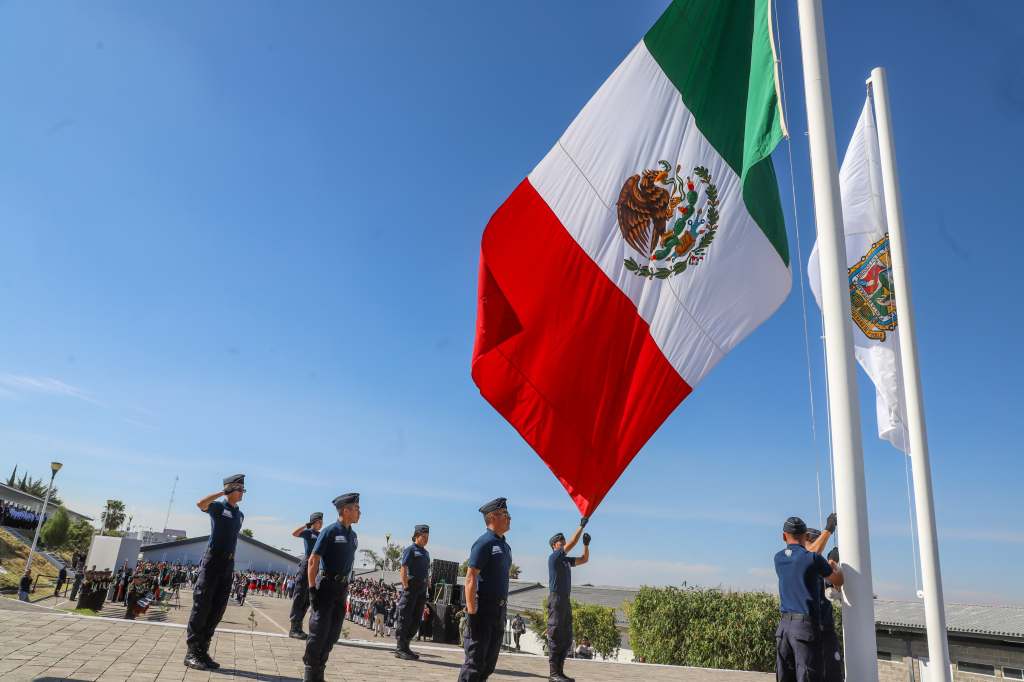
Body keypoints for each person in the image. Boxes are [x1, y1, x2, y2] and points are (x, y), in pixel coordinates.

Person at [184, 474, 246, 671]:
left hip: (228, 564)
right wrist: (222, 492)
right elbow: (200, 503)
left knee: (218, 608)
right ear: (230, 490)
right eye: (238, 489)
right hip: (212, 561)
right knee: (202, 606)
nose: (242, 492)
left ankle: (203, 650)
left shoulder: (240, 514)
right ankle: (192, 653)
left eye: (243, 489)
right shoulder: (219, 507)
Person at [774, 516, 844, 682]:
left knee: (785, 676)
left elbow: (804, 558)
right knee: (809, 676)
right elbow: (838, 581)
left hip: (784, 628)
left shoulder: (778, 558)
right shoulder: (812, 558)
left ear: (784, 536)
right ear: (805, 536)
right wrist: (833, 565)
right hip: (805, 628)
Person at [303, 493, 360, 682]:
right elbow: (313, 560)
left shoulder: (353, 536)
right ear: (346, 510)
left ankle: (320, 670)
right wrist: (312, 590)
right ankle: (311, 673)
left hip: (342, 588)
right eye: (356, 508)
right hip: (326, 586)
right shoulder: (330, 531)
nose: (359, 512)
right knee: (319, 631)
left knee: (333, 633)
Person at [458, 497, 513, 682]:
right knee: (475, 663)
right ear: (492, 517)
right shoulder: (484, 543)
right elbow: (470, 577)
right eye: (505, 514)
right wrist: (472, 612)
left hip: (499, 610)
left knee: (488, 664)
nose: (509, 518)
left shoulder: (505, 546)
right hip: (483, 610)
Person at [546, 518, 590, 682]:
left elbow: (584, 559)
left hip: (565, 600)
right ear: (554, 546)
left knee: (565, 636)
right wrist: (581, 526)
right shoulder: (555, 558)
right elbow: (572, 542)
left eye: (563, 541)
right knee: (556, 634)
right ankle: (553, 674)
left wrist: (586, 544)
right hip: (556, 599)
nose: (563, 543)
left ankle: (560, 672)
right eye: (560, 542)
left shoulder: (565, 560)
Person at [804, 516, 844, 682]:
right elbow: (810, 554)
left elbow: (836, 586)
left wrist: (832, 565)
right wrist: (829, 529)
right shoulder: (802, 562)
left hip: (826, 628)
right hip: (810, 629)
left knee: (832, 673)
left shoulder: (821, 566)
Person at [394, 524, 431, 660]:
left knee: (416, 619)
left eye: (428, 537)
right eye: (423, 536)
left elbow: (426, 569)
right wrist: (405, 585)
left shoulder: (426, 553)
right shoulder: (410, 550)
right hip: (411, 587)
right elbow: (403, 567)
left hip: (421, 589)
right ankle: (400, 647)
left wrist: (428, 581)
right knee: (405, 617)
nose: (426, 539)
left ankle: (406, 645)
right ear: (416, 536)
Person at [289, 511, 324, 640]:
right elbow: (294, 533)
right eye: (318, 521)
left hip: (316, 566)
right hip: (306, 565)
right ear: (313, 522)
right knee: (299, 596)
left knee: (307, 599)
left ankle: (299, 627)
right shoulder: (309, 533)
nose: (320, 524)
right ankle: (294, 628)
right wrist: (306, 525)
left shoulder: (321, 535)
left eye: (321, 522)